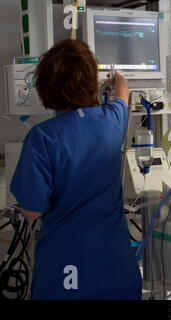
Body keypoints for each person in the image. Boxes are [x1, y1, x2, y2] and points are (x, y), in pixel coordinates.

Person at [10, 39, 142, 300]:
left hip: (67, 276)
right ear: (91, 82)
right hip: (117, 271)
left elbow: (32, 211)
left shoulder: (42, 138)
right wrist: (114, 78)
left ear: (44, 87)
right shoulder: (112, 121)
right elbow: (123, 91)